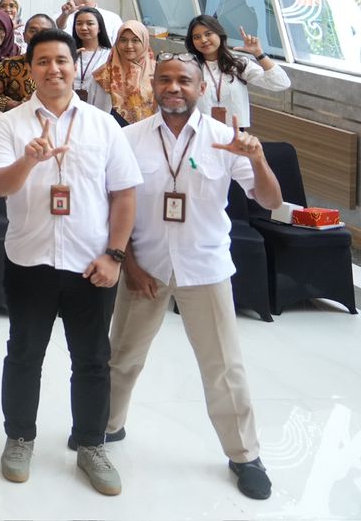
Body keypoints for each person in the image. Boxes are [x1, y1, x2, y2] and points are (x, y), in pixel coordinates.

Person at [106, 56, 281, 501]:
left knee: (223, 368)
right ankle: (105, 427)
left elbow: (269, 199)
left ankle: (244, 455)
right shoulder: (128, 139)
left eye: (184, 80)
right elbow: (114, 207)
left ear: (200, 88)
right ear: (153, 85)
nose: (173, 87)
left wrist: (258, 161)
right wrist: (128, 263)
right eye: (164, 79)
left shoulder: (226, 140)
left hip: (204, 268)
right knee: (122, 357)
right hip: (145, 266)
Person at [0, 28, 139, 496]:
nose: (54, 69)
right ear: (28, 69)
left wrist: (114, 256)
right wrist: (28, 162)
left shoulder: (102, 124)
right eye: (43, 61)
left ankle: (91, 444)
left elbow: (125, 195)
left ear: (76, 67)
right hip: (30, 261)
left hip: (90, 265)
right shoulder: (10, 125)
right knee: (25, 354)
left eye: (62, 61)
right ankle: (19, 437)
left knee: (92, 359)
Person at [185, 15, 289, 129]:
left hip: (235, 133)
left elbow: (281, 83)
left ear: (219, 34)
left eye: (208, 34)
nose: (203, 40)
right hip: (200, 132)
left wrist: (259, 53)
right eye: (196, 37)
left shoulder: (238, 64)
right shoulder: (188, 67)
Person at [0, 14, 55, 114]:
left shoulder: (59, 66)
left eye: (44, 32)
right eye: (33, 31)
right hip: (18, 121)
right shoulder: (10, 64)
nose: (38, 35)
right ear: (24, 35)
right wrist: (18, 106)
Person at [95, 20, 156, 125]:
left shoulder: (159, 72)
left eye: (135, 40)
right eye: (123, 40)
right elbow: (95, 112)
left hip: (149, 133)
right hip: (111, 134)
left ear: (145, 42)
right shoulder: (103, 75)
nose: (129, 45)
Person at [71, 7, 114, 111]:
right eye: (79, 23)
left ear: (99, 28)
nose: (84, 28)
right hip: (70, 108)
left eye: (90, 23)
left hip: (99, 109)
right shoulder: (69, 53)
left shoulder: (110, 55)